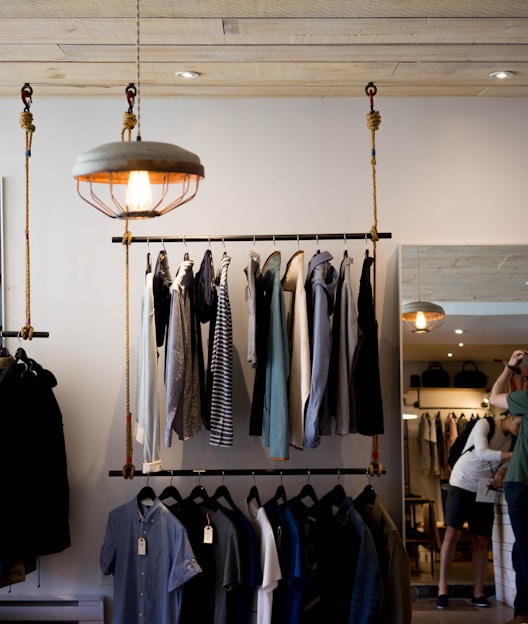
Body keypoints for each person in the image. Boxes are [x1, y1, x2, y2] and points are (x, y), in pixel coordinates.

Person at [436, 397, 521, 610]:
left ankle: (478, 592)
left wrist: (503, 469)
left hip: (486, 486)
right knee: (452, 534)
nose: (520, 429)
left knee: (482, 540)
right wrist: (515, 454)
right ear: (509, 416)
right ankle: (442, 589)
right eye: (519, 423)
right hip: (462, 480)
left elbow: (506, 463)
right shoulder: (485, 424)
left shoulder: (513, 439)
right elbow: (482, 452)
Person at [489, 349, 528, 624]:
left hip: (522, 483)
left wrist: (510, 367)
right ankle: (522, 611)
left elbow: (493, 397)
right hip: (519, 480)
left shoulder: (525, 398)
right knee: (520, 551)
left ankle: (524, 612)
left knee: (525, 550)